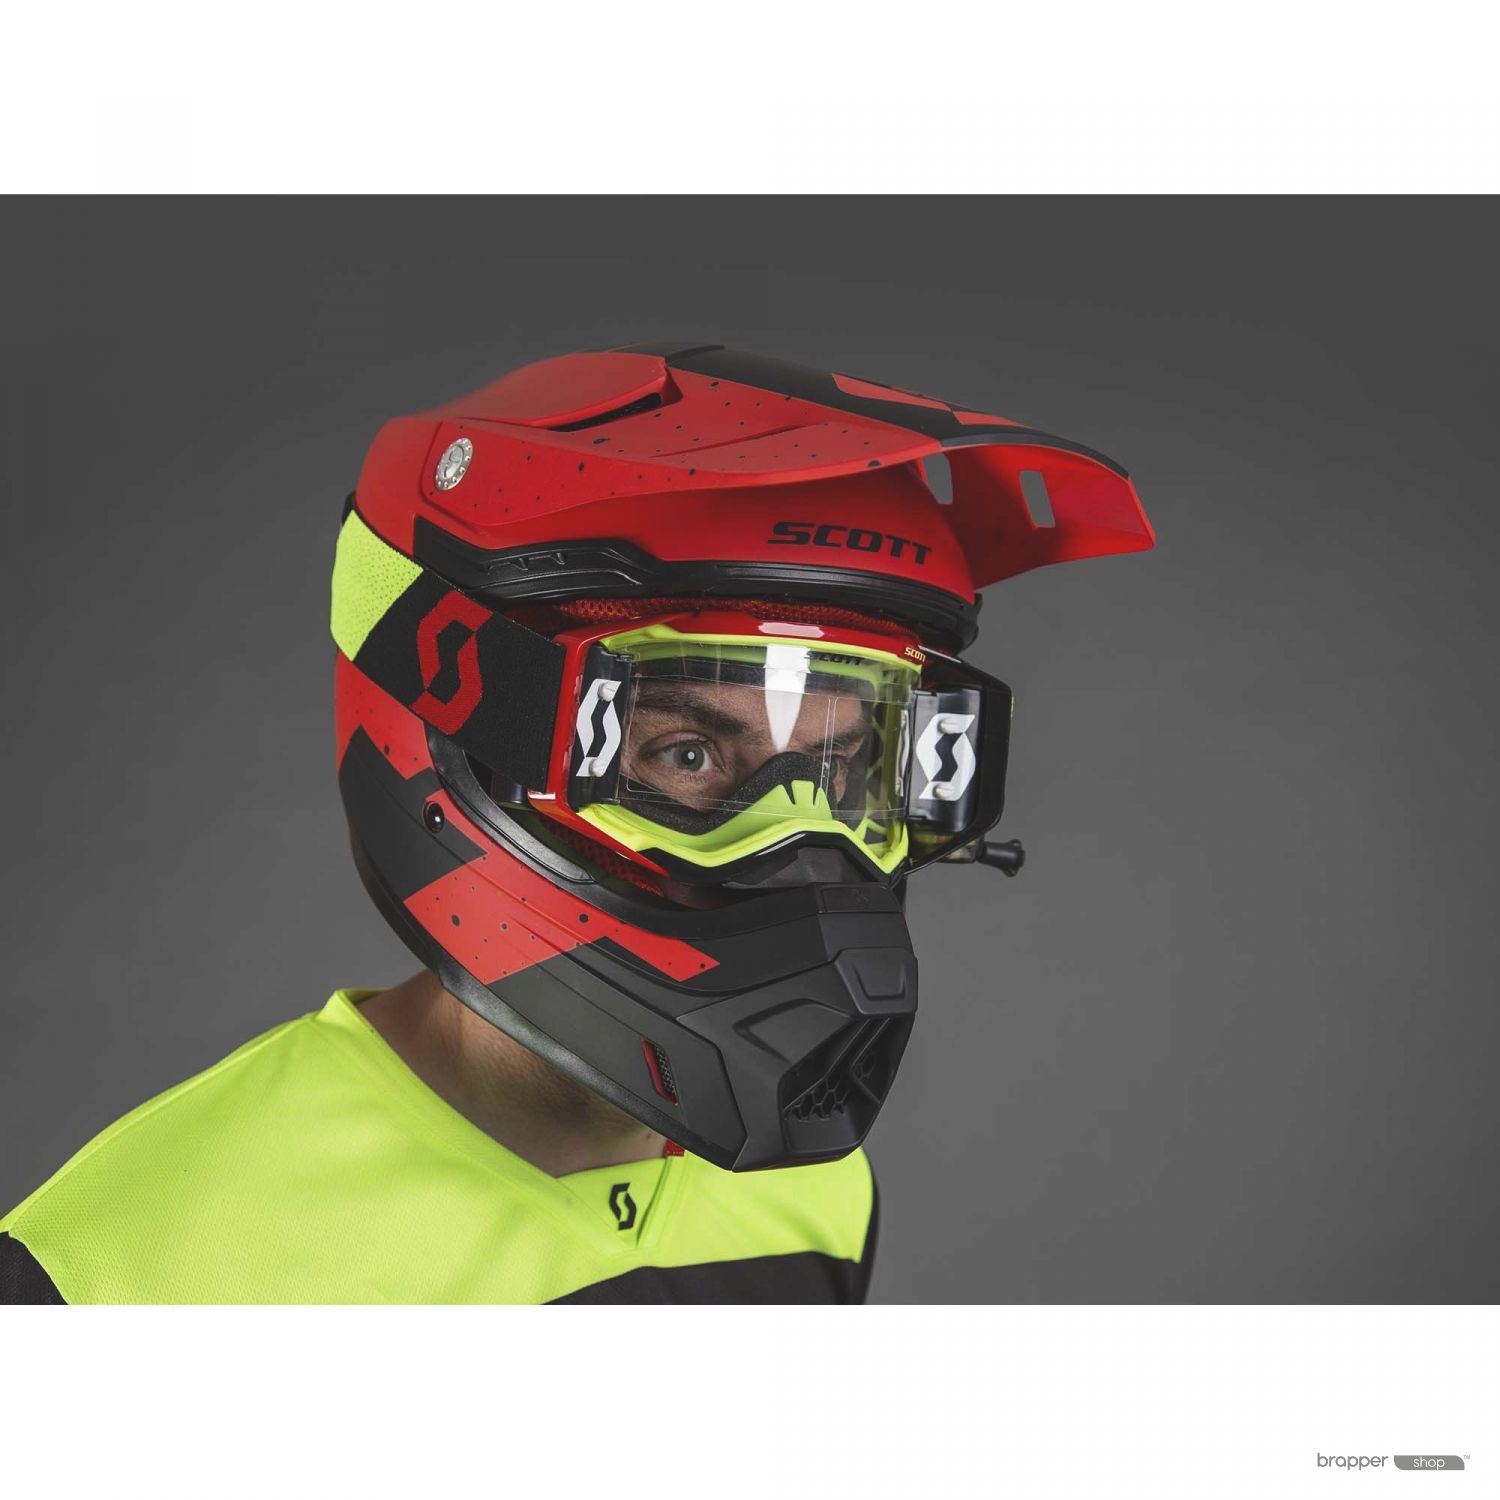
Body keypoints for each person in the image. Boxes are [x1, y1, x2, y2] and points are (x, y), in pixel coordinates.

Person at [0, 343, 1153, 1303]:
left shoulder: (813, 1194)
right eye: (690, 754)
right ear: (456, 722)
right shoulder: (126, 1275)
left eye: (845, 766)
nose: (803, 845)